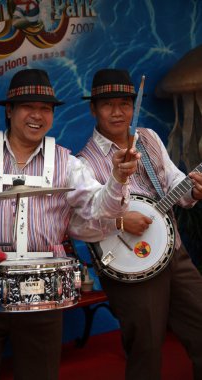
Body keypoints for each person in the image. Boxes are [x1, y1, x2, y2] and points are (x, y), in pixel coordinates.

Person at [0, 68, 140, 380]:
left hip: (43, 293)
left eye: (46, 109)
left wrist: (119, 178)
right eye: (28, 107)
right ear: (9, 111)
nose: (37, 115)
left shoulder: (66, 162)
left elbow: (98, 208)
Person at [75, 68, 202, 380]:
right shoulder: (83, 162)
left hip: (175, 254)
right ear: (93, 108)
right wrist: (120, 220)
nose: (118, 112)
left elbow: (175, 184)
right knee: (145, 349)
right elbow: (81, 223)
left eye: (125, 103)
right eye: (107, 104)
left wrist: (193, 189)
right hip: (129, 264)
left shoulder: (148, 138)